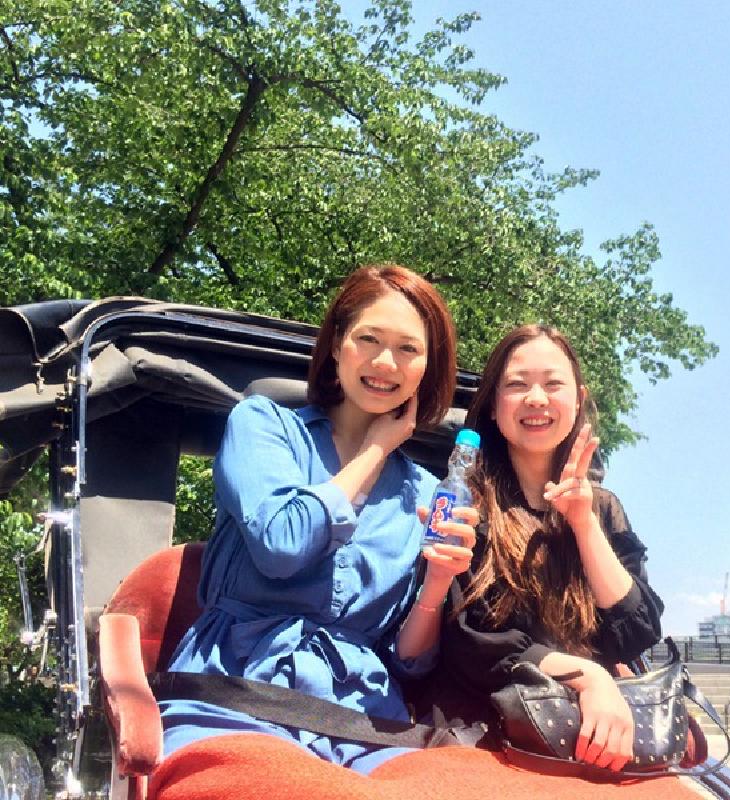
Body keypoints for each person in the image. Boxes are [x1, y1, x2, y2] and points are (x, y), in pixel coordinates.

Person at [158, 263, 477, 774]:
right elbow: (283, 543)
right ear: (336, 345)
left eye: (408, 348)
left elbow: (409, 661)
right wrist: (375, 451)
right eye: (369, 338)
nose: (385, 362)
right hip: (236, 688)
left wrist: (437, 583)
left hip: (361, 717)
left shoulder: (425, 493)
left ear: (426, 367)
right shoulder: (262, 424)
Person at [437, 324, 665, 773]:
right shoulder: (467, 501)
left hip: (595, 730)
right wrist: (588, 676)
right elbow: (472, 642)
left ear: (578, 400)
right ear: (493, 405)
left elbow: (637, 631)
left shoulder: (603, 508)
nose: (536, 398)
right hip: (489, 729)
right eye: (517, 385)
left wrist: (584, 523)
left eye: (553, 383)